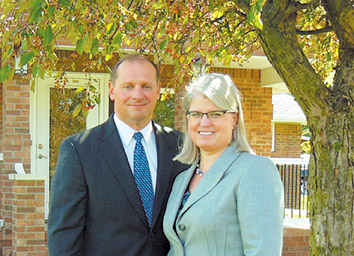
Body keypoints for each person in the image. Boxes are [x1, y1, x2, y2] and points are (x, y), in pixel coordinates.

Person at [48, 53, 186, 255]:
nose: (138, 95)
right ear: (112, 90)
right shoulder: (79, 150)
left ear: (158, 91)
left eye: (146, 86)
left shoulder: (181, 146)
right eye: (128, 86)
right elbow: (64, 234)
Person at [163, 73, 284, 255]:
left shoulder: (255, 171)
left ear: (234, 119)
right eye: (196, 114)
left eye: (215, 114)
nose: (204, 122)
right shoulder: (181, 179)